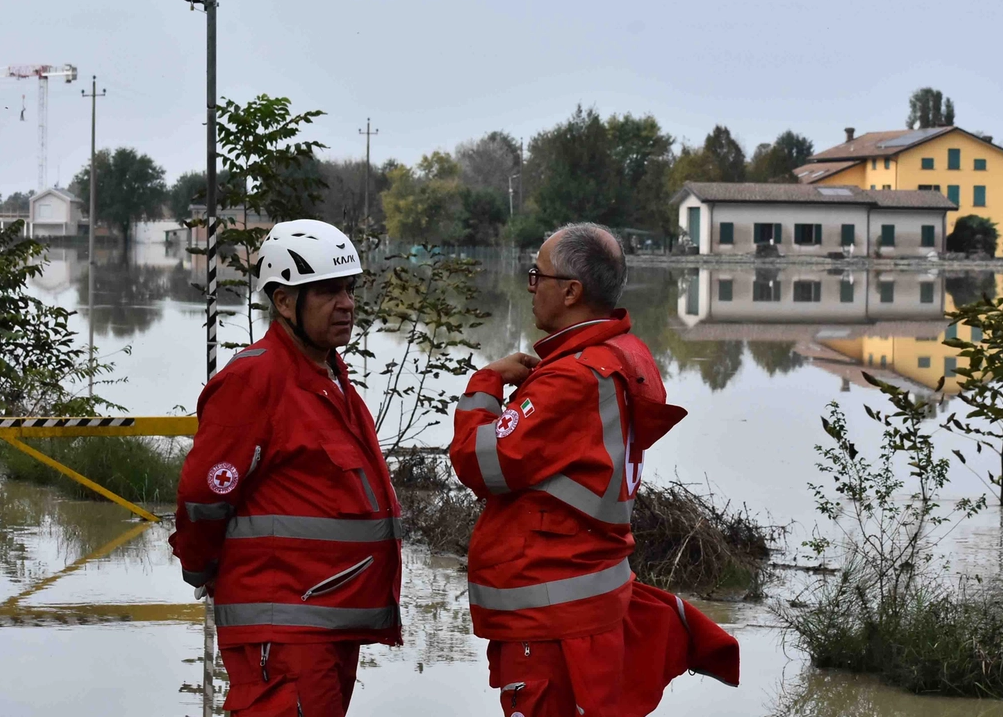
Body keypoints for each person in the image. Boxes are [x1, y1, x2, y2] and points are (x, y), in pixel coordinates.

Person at [449, 223, 739, 717]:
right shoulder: (621, 355)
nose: (530, 286)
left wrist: (487, 382)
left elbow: (478, 463)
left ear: (571, 291)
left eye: (536, 275)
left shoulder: (571, 378)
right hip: (589, 601)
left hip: (551, 616)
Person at [170, 219, 402, 717]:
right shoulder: (255, 381)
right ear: (282, 302)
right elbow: (203, 495)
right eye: (326, 292)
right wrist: (201, 568)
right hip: (284, 626)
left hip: (326, 623)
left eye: (348, 289)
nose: (346, 304)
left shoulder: (327, 375)